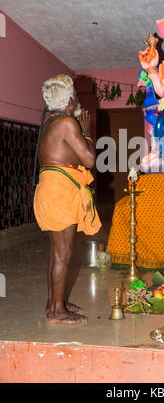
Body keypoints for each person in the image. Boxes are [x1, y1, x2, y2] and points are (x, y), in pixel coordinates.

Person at [34, 75, 101, 324]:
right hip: (59, 193)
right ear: (71, 99)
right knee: (63, 254)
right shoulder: (66, 122)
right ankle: (56, 313)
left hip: (52, 190)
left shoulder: (52, 122)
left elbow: (67, 156)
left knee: (56, 254)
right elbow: (90, 160)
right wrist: (87, 132)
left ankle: (55, 303)